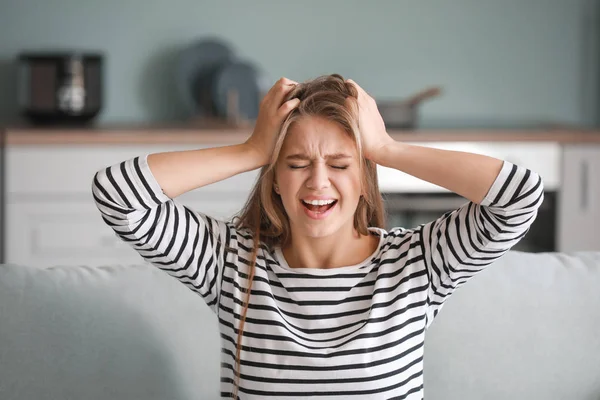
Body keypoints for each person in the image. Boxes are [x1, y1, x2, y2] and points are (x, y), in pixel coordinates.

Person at [92, 74, 543, 399]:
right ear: (273, 179)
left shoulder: (418, 263)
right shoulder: (229, 261)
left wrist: (386, 149)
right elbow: (117, 194)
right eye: (296, 163)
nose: (318, 183)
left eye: (341, 165)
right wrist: (251, 149)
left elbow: (520, 195)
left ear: (365, 179)